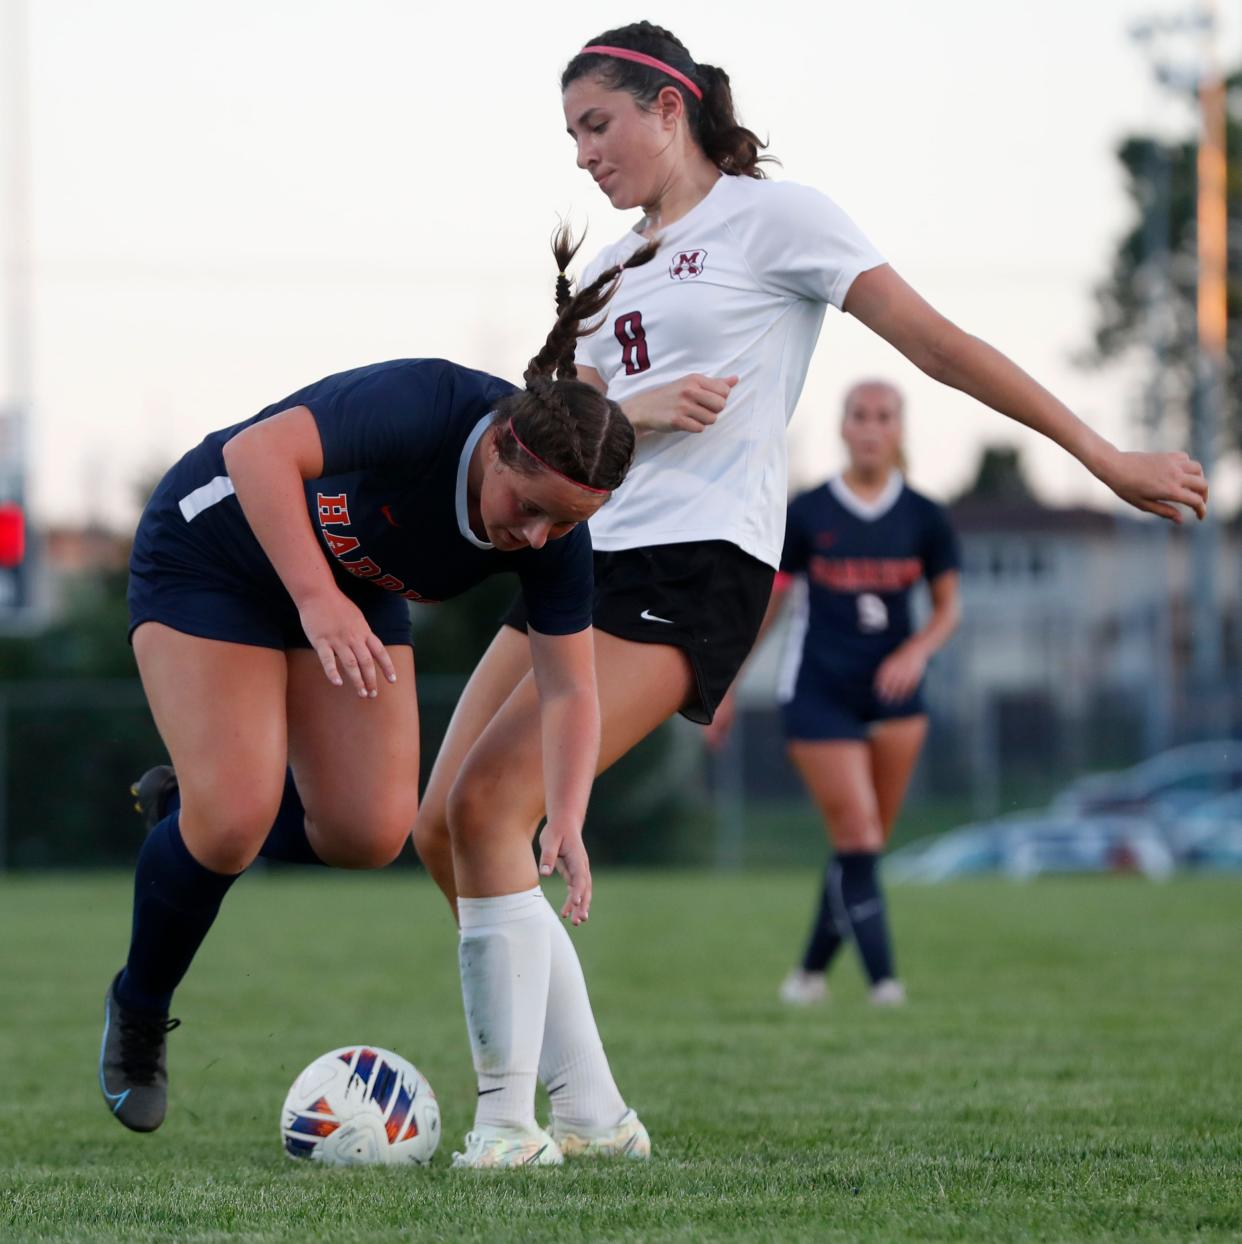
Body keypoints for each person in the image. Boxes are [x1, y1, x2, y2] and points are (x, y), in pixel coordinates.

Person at [409, 22, 1208, 1165]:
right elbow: (562, 438)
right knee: (440, 825)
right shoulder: (601, 269)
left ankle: (508, 1125)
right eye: (571, 134)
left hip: (697, 562)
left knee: (494, 805)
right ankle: (589, 1110)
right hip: (581, 558)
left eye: (598, 124)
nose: (583, 154)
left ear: (668, 108)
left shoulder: (775, 217)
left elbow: (936, 345)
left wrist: (1101, 454)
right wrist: (639, 410)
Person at [98, 230, 653, 1169]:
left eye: (565, 521)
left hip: (345, 592)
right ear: (505, 443)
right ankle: (140, 1009)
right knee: (235, 819)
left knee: (368, 831)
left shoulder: (556, 533)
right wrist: (316, 601)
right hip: (214, 553)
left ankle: (185, 813)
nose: (536, 532)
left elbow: (569, 688)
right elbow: (259, 455)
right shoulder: (426, 404)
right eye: (528, 503)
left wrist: (566, 815)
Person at [710, 379, 960, 1006]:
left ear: (900, 429)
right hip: (819, 692)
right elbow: (770, 607)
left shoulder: (926, 517)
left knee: (863, 843)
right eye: (859, 416)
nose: (871, 427)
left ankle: (808, 976)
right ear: (843, 428)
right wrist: (726, 684)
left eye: (884, 416)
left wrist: (915, 650)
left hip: (897, 696)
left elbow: (948, 611)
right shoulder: (811, 512)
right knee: (859, 838)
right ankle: (885, 985)